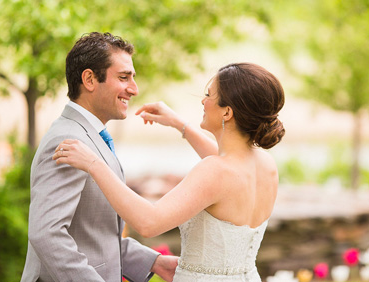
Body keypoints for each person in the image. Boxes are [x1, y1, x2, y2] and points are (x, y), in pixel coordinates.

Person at [53, 62, 285, 282]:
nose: (203, 102)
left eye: (209, 95)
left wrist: (94, 164)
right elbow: (224, 162)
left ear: (227, 113)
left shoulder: (215, 171)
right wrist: (178, 123)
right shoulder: (265, 164)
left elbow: (148, 222)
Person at [21, 32, 179, 282]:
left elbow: (91, 234)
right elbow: (46, 234)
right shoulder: (67, 141)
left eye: (133, 78)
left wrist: (154, 262)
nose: (134, 89)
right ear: (90, 79)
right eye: (124, 77)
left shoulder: (89, 136)